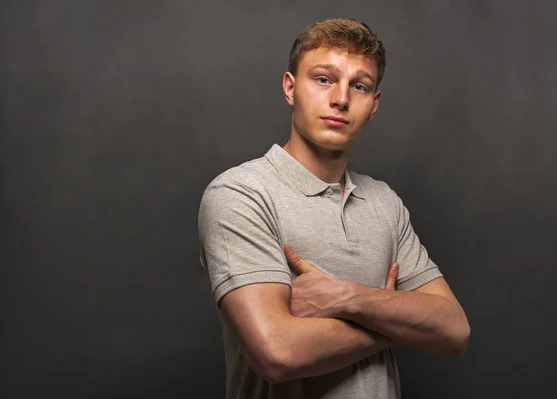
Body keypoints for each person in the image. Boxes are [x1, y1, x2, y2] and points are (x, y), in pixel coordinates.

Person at [198, 17, 470, 399]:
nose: (341, 99)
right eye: (323, 79)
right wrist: (392, 317)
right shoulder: (241, 194)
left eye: (359, 86)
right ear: (291, 88)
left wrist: (349, 298)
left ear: (373, 104)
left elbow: (454, 330)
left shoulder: (383, 202)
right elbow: (277, 352)